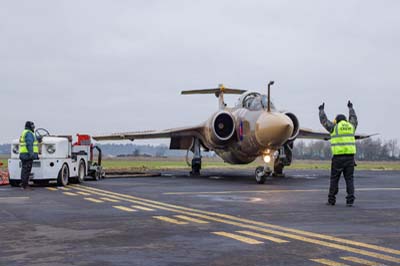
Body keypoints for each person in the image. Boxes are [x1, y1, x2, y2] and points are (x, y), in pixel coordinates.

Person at [319, 101, 358, 207]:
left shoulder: (334, 127)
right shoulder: (351, 127)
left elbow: (324, 121)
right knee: (349, 179)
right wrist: (351, 108)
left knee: (334, 179)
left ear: (337, 120)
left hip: (338, 158)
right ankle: (350, 200)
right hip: (350, 158)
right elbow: (354, 119)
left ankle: (331, 200)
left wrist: (321, 110)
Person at [19, 121, 39, 190]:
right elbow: (29, 144)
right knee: (26, 170)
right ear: (30, 127)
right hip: (27, 155)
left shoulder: (24, 132)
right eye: (33, 126)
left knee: (24, 170)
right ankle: (25, 186)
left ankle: (23, 184)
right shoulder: (29, 133)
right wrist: (32, 154)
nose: (33, 128)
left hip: (23, 154)